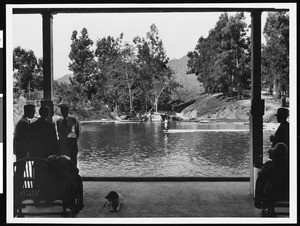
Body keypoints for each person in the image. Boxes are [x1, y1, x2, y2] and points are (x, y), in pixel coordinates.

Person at [254, 142, 289, 217]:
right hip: (285, 191)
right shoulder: (287, 165)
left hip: (273, 192)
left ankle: (261, 201)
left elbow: (261, 174)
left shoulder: (270, 165)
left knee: (262, 180)